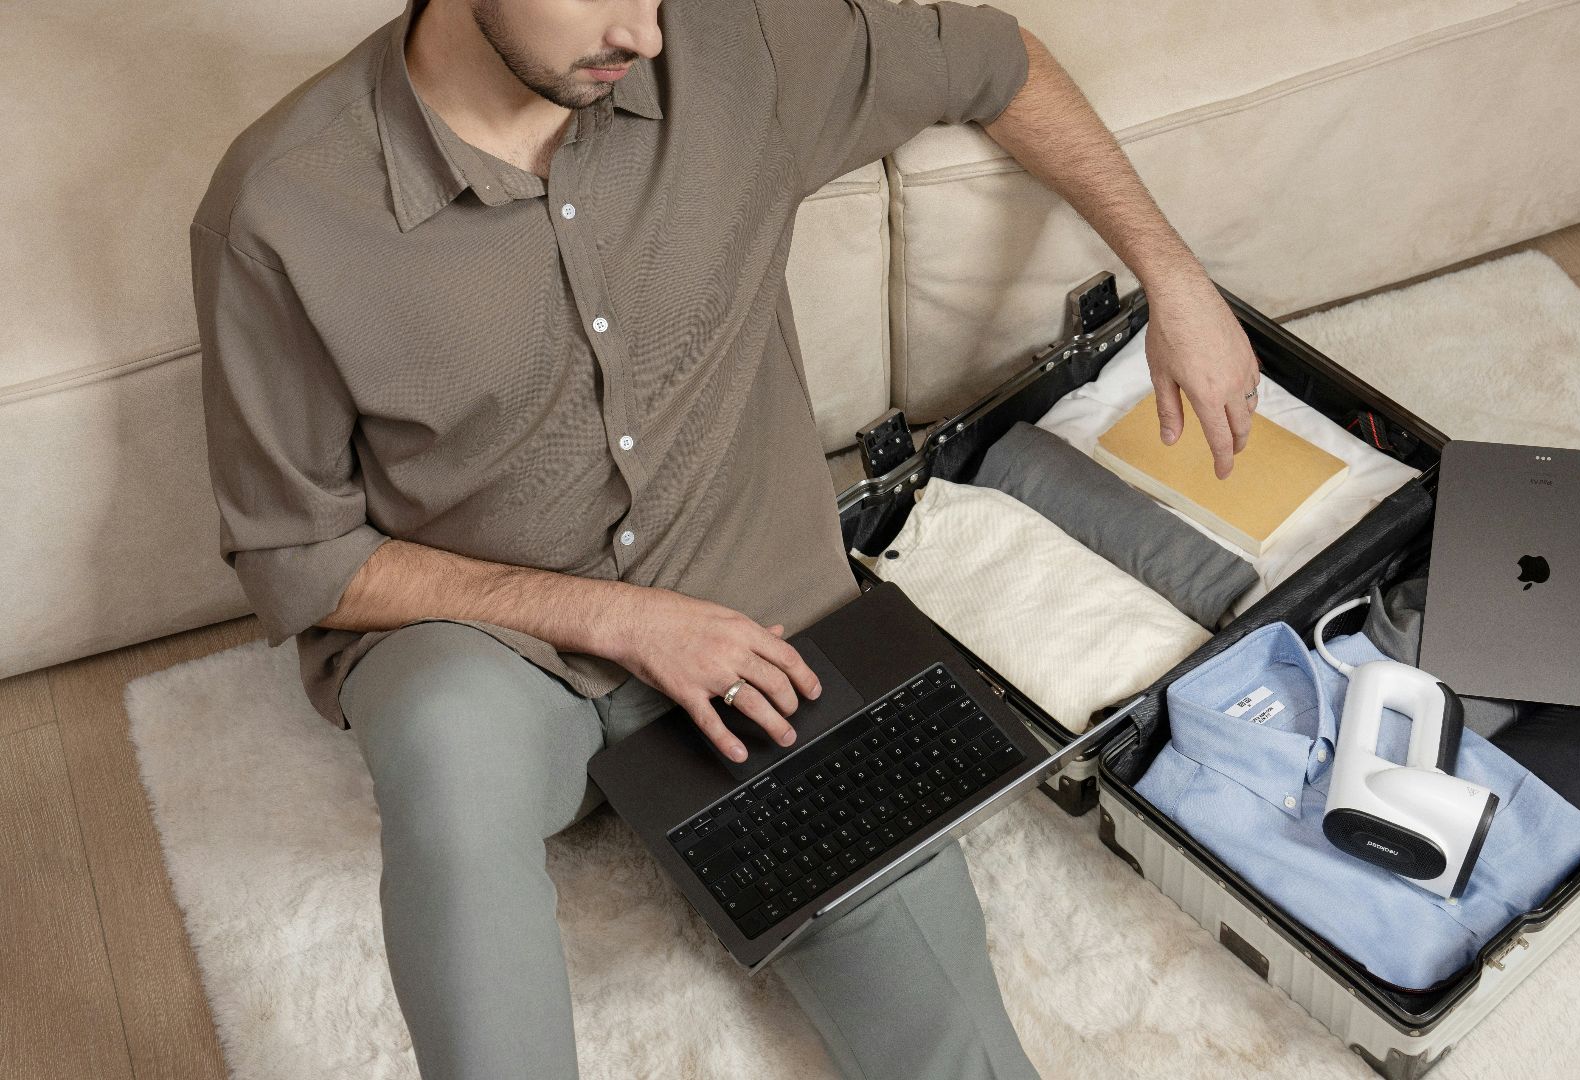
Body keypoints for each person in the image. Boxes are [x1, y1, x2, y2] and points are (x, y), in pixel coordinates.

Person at [189, 1, 1259, 1077]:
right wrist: (616, 618)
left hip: (762, 625)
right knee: (443, 758)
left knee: (950, 1041)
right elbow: (302, 557)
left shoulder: (734, 48)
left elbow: (997, 58)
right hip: (486, 649)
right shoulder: (282, 207)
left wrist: (1175, 277)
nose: (647, 36)